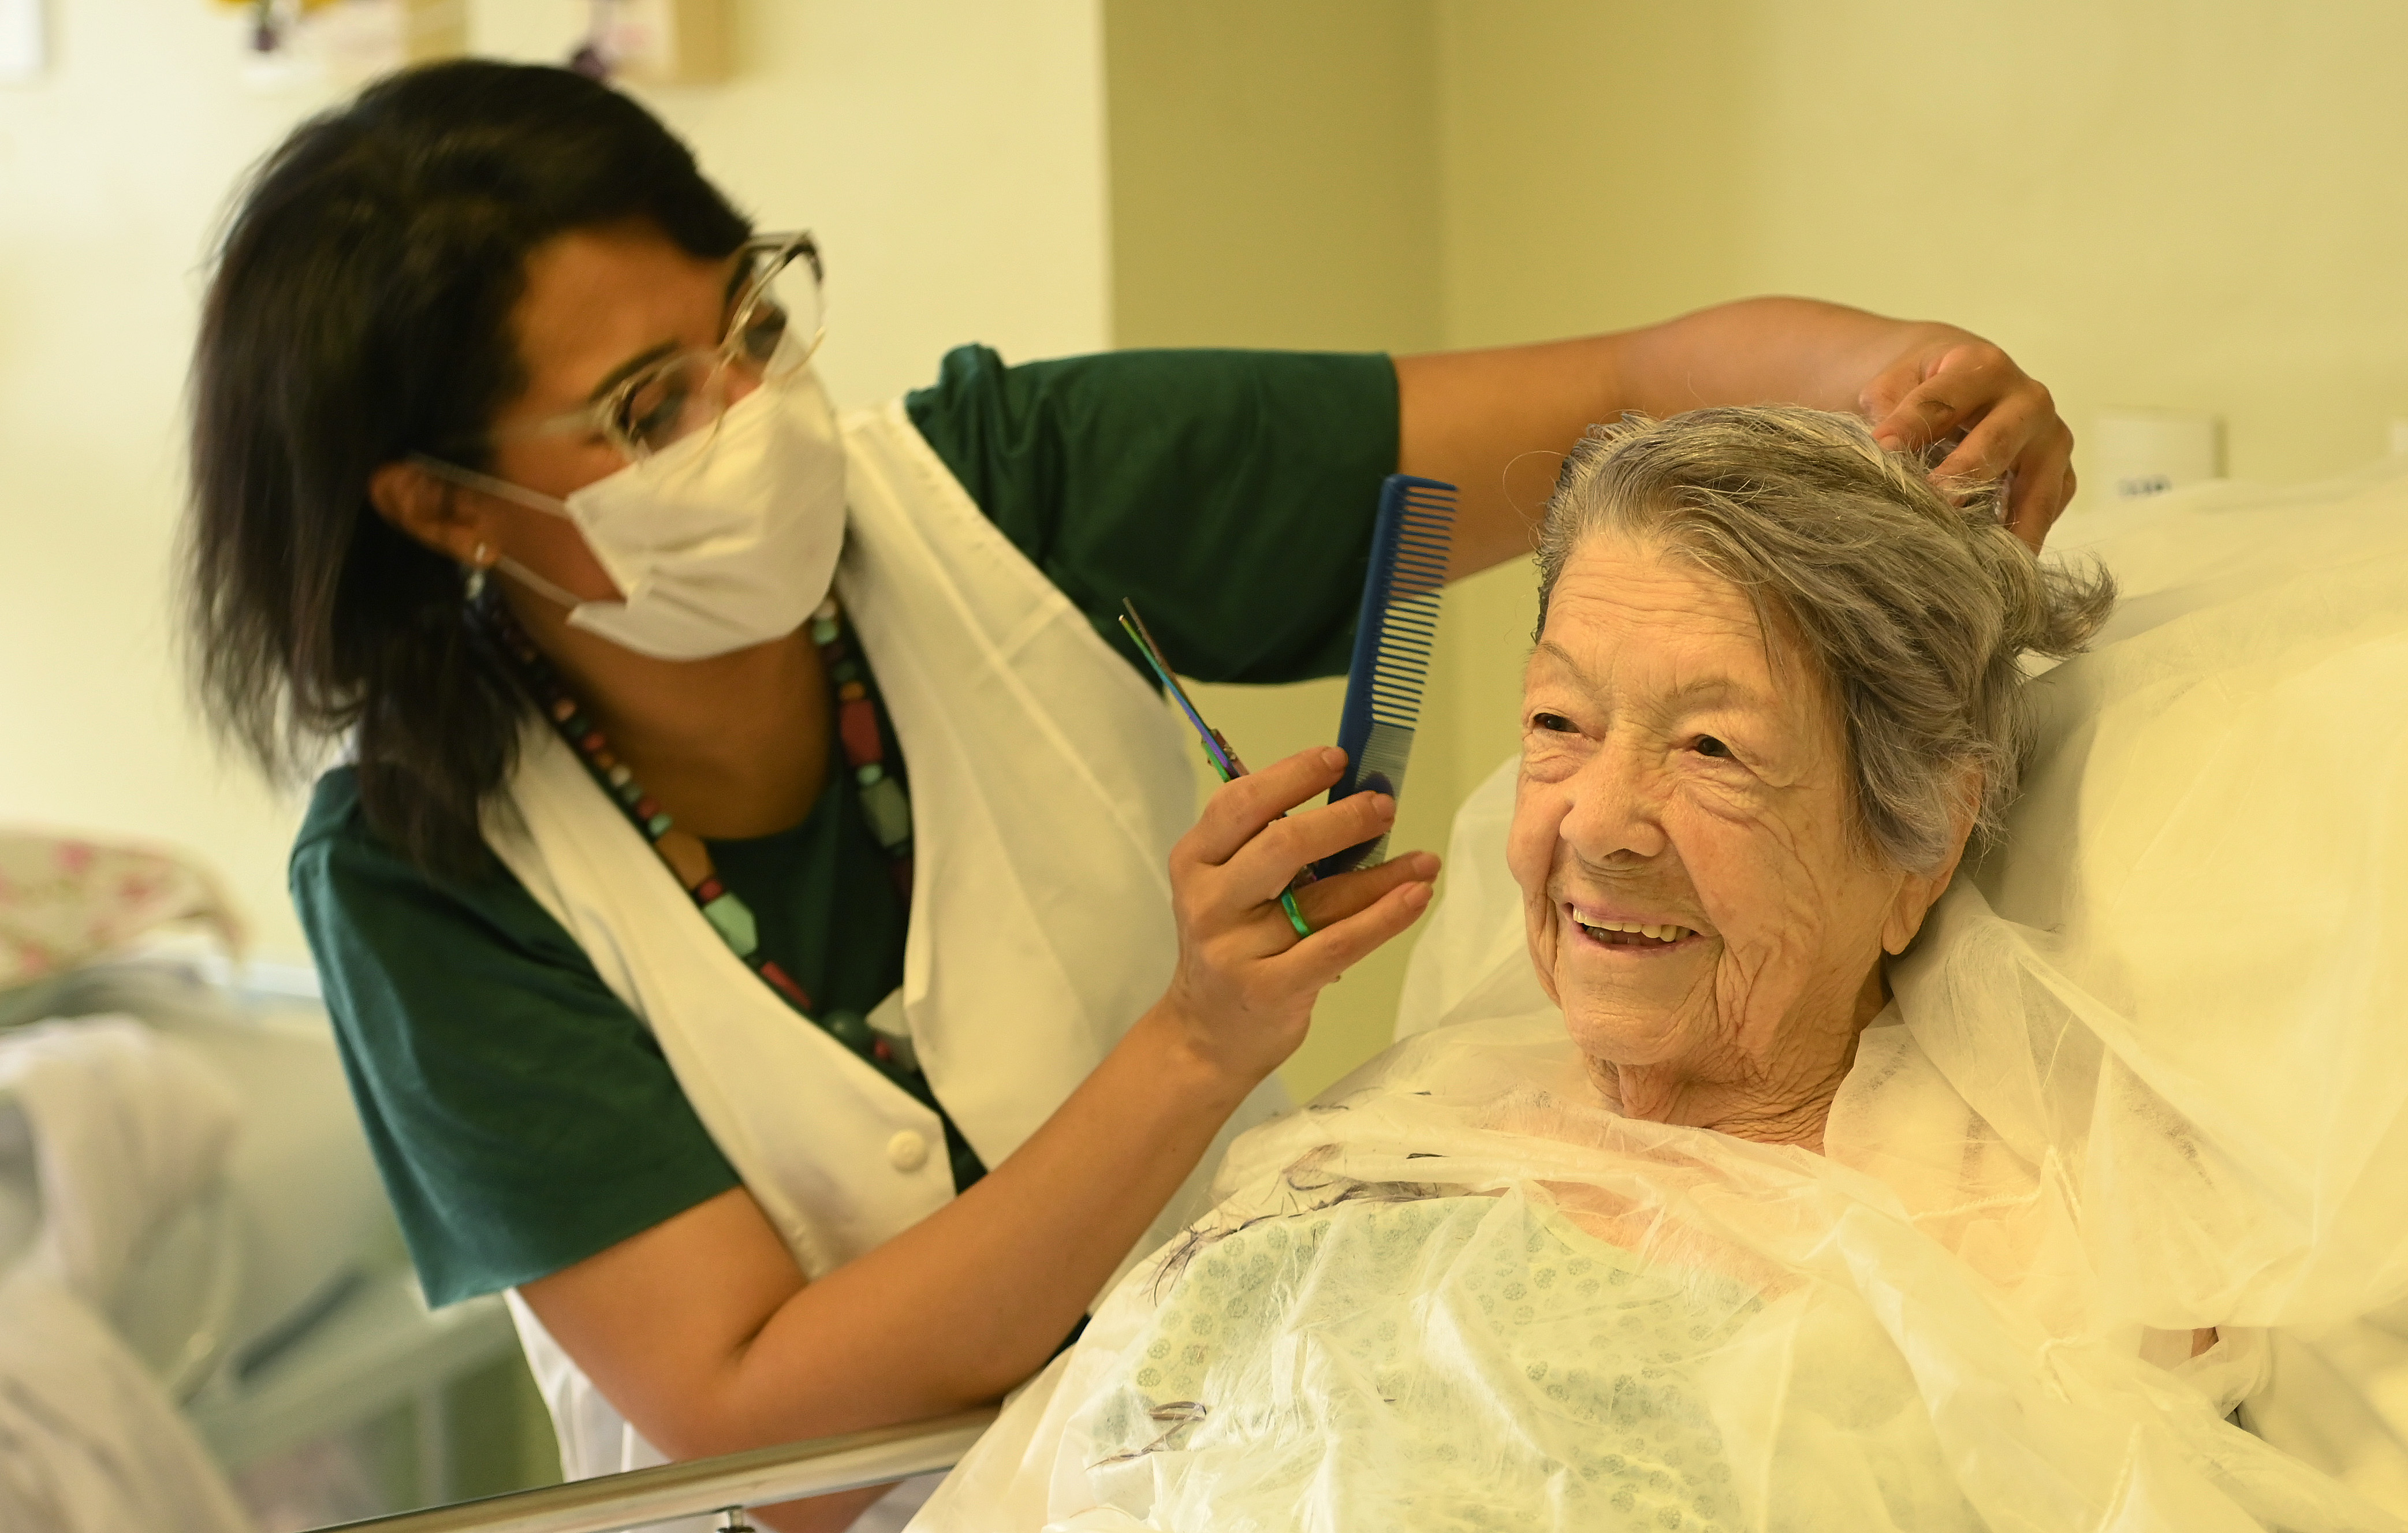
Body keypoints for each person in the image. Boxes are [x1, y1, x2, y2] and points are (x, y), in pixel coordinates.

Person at [179, 59, 2079, 1533]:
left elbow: (1640, 382)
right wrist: (1193, 1045)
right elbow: (772, 1432)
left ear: (1923, 838)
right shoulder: (425, 873)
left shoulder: (1009, 487)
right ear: (437, 504)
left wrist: (1896, 377)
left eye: (751, 328)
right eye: (646, 410)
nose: (751, 417)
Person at [907, 409, 2408, 1531]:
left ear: (1922, 836)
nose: (1599, 824)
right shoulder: (1377, 1150)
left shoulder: (2045, 1268)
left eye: (1711, 750)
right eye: (1559, 724)